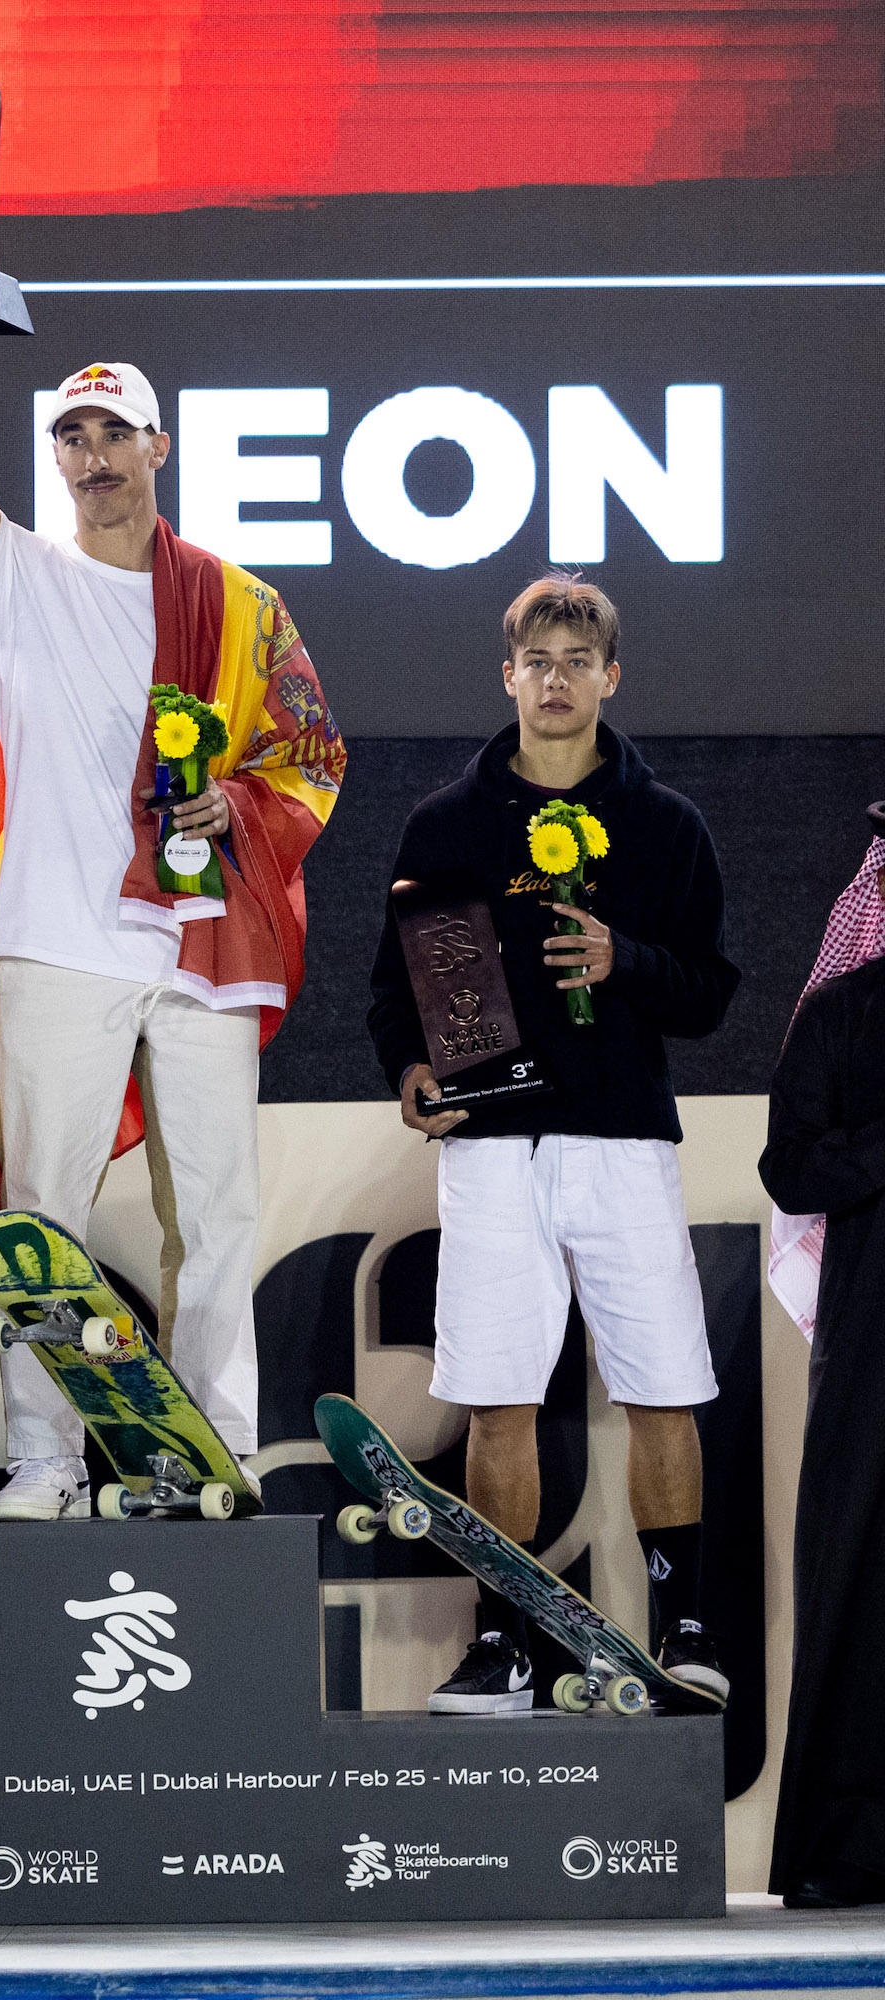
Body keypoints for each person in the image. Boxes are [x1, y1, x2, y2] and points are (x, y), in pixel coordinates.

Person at [0, 228, 345, 1522]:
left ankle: (217, 1449)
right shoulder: (20, 579)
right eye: (73, 437)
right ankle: (44, 1456)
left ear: (159, 449)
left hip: (200, 949)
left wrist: (238, 803)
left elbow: (311, 755)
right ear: (59, 457)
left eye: (114, 434)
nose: (92, 457)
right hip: (53, 947)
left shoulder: (241, 606)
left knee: (215, 1214)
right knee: (38, 1215)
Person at [368, 573, 739, 1713]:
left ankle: (682, 1623)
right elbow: (397, 992)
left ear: (610, 676)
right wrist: (413, 1073)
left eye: (581, 658)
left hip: (623, 1139)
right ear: (508, 676)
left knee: (661, 1386)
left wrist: (624, 959)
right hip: (492, 1145)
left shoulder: (668, 824)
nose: (559, 677)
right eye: (540, 659)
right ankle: (508, 1637)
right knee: (495, 1396)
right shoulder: (445, 823)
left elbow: (710, 994)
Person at [759, 804, 885, 1908]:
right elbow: (789, 1169)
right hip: (874, 1348)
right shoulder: (843, 1014)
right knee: (862, 1576)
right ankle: (851, 1844)